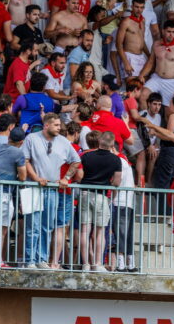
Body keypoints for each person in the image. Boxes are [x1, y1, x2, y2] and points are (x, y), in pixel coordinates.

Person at [22, 113, 81, 269]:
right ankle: (30, 260)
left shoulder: (63, 142)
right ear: (46, 125)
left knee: (46, 227)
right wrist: (35, 177)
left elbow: (76, 161)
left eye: (59, 125)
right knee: (32, 226)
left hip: (52, 189)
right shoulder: (31, 138)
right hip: (33, 187)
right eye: (56, 125)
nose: (59, 128)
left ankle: (41, 259)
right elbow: (25, 160)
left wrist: (66, 178)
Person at [78, 131, 122, 272]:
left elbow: (79, 176)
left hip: (85, 193)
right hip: (102, 196)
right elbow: (117, 181)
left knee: (85, 231)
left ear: (99, 141)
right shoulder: (116, 160)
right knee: (100, 232)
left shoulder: (86, 156)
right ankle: (97, 264)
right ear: (112, 143)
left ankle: (85, 264)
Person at [0, 124, 27, 266]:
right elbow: (23, 176)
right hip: (1, 193)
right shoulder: (18, 152)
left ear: (9, 137)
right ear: (21, 142)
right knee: (2, 229)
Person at [140, 21, 174, 109]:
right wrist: (142, 74)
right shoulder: (156, 44)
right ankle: (145, 121)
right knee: (143, 95)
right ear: (163, 31)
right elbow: (151, 62)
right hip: (156, 78)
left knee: (169, 110)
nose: (171, 35)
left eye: (173, 32)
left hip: (171, 81)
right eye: (169, 32)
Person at [116, 0, 148, 80]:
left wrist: (149, 55)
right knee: (132, 86)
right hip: (130, 57)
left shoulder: (142, 21)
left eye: (141, 7)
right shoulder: (126, 22)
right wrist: (126, 62)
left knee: (142, 85)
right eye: (136, 7)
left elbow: (142, 41)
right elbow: (118, 44)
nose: (139, 10)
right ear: (132, 7)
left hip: (141, 56)